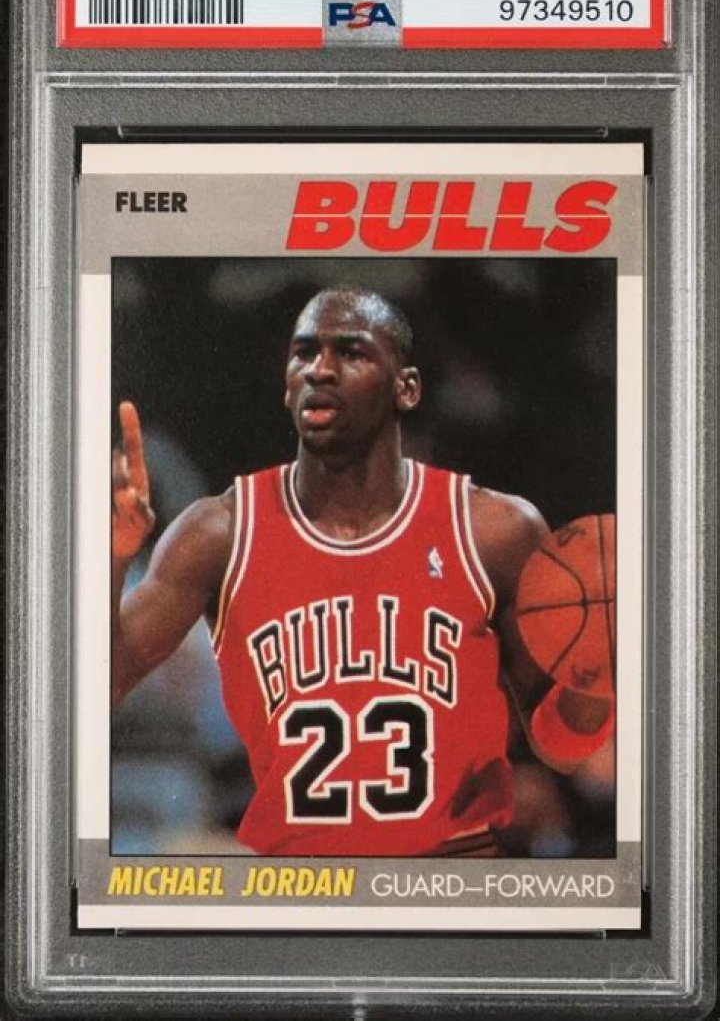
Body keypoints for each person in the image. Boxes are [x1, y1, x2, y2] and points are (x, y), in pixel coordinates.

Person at [112, 286, 614, 857]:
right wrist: (113, 557)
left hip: (453, 880)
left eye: (351, 352)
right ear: (287, 386)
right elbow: (102, 684)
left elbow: (564, 748)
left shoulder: (494, 531)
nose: (320, 369)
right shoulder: (219, 533)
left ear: (407, 388)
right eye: (304, 353)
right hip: (302, 885)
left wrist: (599, 665)